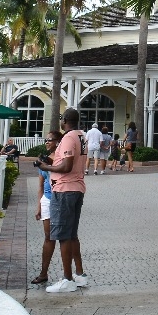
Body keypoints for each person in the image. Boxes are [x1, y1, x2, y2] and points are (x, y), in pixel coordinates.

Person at [46, 108, 90, 293]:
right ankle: (79, 274)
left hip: (65, 190)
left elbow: (66, 166)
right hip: (77, 188)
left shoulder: (68, 138)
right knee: (71, 234)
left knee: (63, 235)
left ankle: (67, 279)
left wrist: (45, 166)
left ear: (64, 120)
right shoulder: (82, 136)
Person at [31, 132, 61, 285]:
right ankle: (43, 273)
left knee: (67, 237)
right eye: (46, 140)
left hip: (61, 199)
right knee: (48, 236)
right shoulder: (43, 160)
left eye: (50, 140)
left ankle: (73, 273)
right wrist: (39, 206)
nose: (47, 142)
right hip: (48, 200)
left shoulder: (62, 159)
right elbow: (41, 186)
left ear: (58, 141)